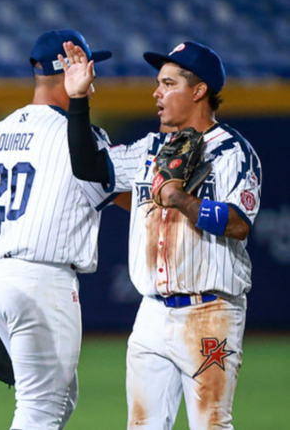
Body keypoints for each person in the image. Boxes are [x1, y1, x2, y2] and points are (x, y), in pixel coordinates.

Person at [63, 40, 261, 429]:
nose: (157, 92)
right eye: (159, 83)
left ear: (199, 90)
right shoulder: (150, 148)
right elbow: (88, 165)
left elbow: (239, 223)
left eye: (169, 83)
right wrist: (78, 98)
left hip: (211, 311)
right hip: (151, 313)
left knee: (211, 425)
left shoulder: (232, 151)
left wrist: (182, 201)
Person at [0, 29, 118, 429]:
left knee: (60, 399)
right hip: (43, 280)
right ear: (69, 68)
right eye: (88, 63)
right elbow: (106, 188)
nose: (93, 72)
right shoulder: (80, 138)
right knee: (40, 409)